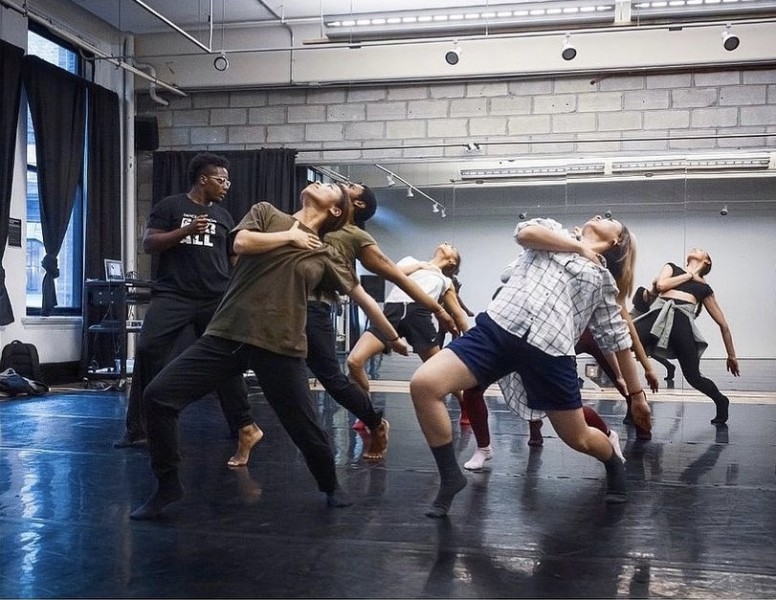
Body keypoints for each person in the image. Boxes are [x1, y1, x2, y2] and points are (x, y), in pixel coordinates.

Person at [130, 181, 409, 520]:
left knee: (303, 426)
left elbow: (362, 297)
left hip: (280, 344)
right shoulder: (266, 213)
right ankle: (168, 484)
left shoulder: (325, 253)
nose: (319, 182)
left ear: (335, 209)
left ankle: (330, 484)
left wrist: (392, 337)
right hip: (227, 334)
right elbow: (241, 243)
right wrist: (290, 237)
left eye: (329, 186)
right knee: (157, 396)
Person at [409, 215, 651, 518]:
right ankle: (450, 477)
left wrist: (636, 396)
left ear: (617, 241)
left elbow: (617, 339)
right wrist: (579, 248)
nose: (601, 216)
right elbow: (524, 233)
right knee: (424, 384)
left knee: (578, 438)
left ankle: (613, 462)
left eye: (610, 219)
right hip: (498, 330)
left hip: (551, 352)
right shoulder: (552, 232)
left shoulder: (603, 280)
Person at [301, 182, 458, 461]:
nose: (342, 184)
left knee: (332, 379)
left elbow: (394, 276)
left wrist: (440, 311)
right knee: (350, 363)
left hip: (408, 313)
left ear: (357, 204)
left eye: (351, 186)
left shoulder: (355, 236)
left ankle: (375, 421)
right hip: (286, 306)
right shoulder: (308, 220)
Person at [113, 152, 252, 453]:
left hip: (214, 297)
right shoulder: (171, 206)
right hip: (173, 294)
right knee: (148, 351)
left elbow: (232, 258)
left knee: (227, 359)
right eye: (221, 180)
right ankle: (137, 430)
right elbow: (150, 243)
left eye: (227, 181)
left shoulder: (224, 216)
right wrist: (186, 231)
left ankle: (242, 427)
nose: (226, 186)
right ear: (203, 179)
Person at [345, 243, 471, 398]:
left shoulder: (445, 281)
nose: (446, 243)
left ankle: (465, 403)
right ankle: (365, 407)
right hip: (391, 313)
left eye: (451, 246)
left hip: (419, 317)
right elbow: (392, 273)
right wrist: (420, 265)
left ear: (452, 262)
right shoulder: (410, 261)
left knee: (442, 373)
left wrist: (469, 337)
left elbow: (458, 312)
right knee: (354, 361)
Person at [632, 248, 740, 425]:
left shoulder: (704, 288)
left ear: (707, 262)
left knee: (693, 376)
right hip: (657, 315)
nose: (695, 249)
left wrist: (731, 355)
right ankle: (634, 405)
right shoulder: (672, 267)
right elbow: (661, 286)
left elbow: (723, 325)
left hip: (681, 322)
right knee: (623, 344)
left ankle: (721, 401)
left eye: (701, 250)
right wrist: (690, 275)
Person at [631, 284, 677, 383]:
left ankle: (668, 367)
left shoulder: (654, 297)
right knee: (645, 349)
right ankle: (668, 366)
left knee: (647, 349)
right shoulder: (644, 292)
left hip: (641, 321)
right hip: (637, 319)